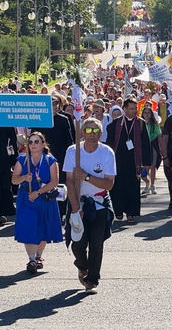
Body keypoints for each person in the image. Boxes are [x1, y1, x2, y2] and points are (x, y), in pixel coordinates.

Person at [64, 118, 116, 292]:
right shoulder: (73, 151)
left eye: (95, 131)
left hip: (99, 203)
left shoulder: (107, 153)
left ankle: (92, 279)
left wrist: (86, 176)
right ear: (82, 133)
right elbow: (70, 182)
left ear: (101, 134)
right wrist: (76, 208)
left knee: (96, 243)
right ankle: (82, 266)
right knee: (78, 243)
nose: (92, 135)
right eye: (88, 131)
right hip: (78, 202)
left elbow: (108, 184)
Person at [12, 132, 63, 274]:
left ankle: (38, 256)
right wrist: (23, 177)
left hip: (44, 197)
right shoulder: (22, 160)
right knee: (28, 226)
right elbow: (14, 179)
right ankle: (31, 259)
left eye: (36, 142)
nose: (33, 145)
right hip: (26, 197)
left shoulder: (50, 160)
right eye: (30, 142)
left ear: (43, 144)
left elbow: (54, 181)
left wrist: (38, 192)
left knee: (43, 226)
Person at [105, 98, 151, 223]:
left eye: (135, 108)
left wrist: (147, 163)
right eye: (131, 108)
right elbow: (109, 143)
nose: (134, 111)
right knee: (118, 186)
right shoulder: (116, 124)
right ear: (124, 109)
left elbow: (146, 143)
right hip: (119, 160)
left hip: (134, 161)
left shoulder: (141, 123)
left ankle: (131, 212)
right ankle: (118, 211)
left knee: (133, 186)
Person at [141, 104, 162, 195]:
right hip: (143, 146)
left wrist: (161, 148)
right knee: (143, 167)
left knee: (153, 166)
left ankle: (152, 185)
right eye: (145, 113)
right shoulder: (140, 123)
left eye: (148, 113)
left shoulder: (154, 124)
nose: (147, 114)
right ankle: (147, 183)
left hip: (153, 145)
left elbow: (159, 136)